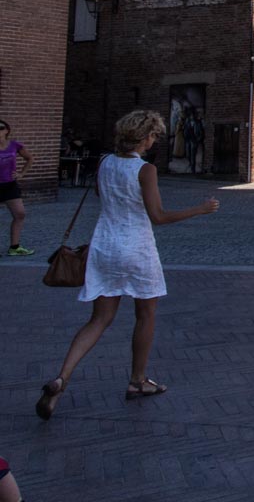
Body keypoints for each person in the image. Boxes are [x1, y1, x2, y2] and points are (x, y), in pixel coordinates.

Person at [35, 110, 219, 420]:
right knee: (145, 315)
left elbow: (101, 194)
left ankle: (61, 379)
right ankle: (137, 380)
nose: (154, 141)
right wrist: (199, 209)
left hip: (104, 246)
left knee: (99, 319)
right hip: (136, 249)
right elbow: (158, 216)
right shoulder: (145, 169)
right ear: (145, 137)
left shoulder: (105, 162)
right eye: (154, 135)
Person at [0, 119, 34, 257]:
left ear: (7, 130)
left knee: (20, 214)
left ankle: (14, 247)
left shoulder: (15, 145)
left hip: (10, 185)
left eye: (1, 128)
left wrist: (21, 174)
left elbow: (29, 158)